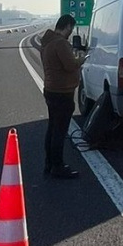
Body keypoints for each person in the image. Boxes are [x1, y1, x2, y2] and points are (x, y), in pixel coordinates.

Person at [39, 14, 86, 178]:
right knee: (60, 131)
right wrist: (81, 59)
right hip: (62, 92)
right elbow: (70, 65)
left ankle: (49, 163)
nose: (71, 32)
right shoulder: (60, 43)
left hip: (51, 89)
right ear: (67, 26)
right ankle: (58, 166)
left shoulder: (47, 43)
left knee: (52, 129)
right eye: (71, 28)